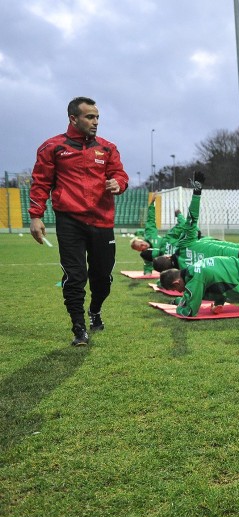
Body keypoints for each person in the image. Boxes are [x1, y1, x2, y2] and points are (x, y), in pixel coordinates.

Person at [28, 96, 130, 346]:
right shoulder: (52, 147)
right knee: (75, 276)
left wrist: (119, 183)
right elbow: (41, 182)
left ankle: (95, 310)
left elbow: (119, 174)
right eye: (90, 117)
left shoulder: (107, 148)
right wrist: (36, 216)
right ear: (73, 118)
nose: (96, 122)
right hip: (69, 222)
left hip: (102, 221)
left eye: (97, 117)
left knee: (103, 278)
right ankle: (78, 329)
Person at [158, 256, 239, 317]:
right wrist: (218, 303)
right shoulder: (196, 267)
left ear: (176, 283)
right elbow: (219, 280)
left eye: (175, 289)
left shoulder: (194, 279)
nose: (178, 291)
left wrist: (178, 308)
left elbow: (190, 311)